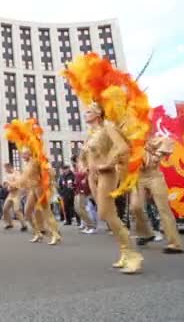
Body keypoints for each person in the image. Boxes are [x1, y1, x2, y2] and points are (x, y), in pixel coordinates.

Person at [64, 52, 150, 274]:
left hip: (107, 174)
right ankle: (124, 252)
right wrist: (84, 165)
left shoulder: (108, 128)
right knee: (106, 214)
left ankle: (132, 254)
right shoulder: (91, 133)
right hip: (94, 177)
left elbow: (123, 148)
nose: (86, 113)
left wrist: (108, 164)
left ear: (99, 114)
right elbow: (84, 154)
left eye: (90, 111)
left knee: (105, 213)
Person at [129, 134, 184, 253]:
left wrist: (158, 154)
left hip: (154, 175)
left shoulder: (148, 140)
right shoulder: (125, 144)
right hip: (137, 177)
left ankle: (174, 244)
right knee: (135, 207)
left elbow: (168, 141)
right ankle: (146, 234)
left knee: (163, 208)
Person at [72, 155, 96, 234]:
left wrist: (85, 179)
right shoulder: (77, 167)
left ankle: (91, 226)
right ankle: (87, 225)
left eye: (76, 159)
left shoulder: (85, 164)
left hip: (82, 190)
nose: (75, 161)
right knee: (77, 209)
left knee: (81, 208)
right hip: (77, 190)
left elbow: (90, 172)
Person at [1, 163, 27, 231]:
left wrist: (10, 185)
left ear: (9, 167)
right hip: (10, 194)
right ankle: (9, 223)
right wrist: (6, 185)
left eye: (6, 168)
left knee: (16, 210)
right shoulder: (6, 175)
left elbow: (17, 184)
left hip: (17, 193)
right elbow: (4, 184)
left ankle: (24, 225)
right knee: (5, 209)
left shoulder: (16, 173)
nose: (5, 170)